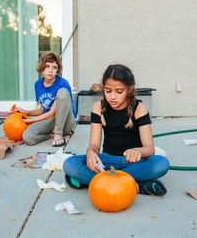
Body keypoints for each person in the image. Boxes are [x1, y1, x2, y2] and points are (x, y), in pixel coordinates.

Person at [63, 64, 170, 196]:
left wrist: (139, 151)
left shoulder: (139, 108)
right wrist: (91, 152)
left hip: (133, 164)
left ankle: (101, 182)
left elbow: (150, 148)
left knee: (161, 163)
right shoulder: (98, 108)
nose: (112, 97)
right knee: (70, 164)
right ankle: (137, 186)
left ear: (129, 90)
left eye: (119, 92)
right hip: (107, 161)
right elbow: (94, 145)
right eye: (108, 91)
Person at [14, 52, 76, 146]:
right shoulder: (38, 84)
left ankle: (58, 134)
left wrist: (27, 121)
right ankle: (52, 134)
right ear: (42, 67)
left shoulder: (63, 84)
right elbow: (43, 109)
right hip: (50, 121)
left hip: (65, 121)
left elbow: (51, 113)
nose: (50, 70)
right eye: (47, 66)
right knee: (28, 137)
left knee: (63, 92)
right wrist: (27, 112)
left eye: (54, 67)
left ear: (57, 69)